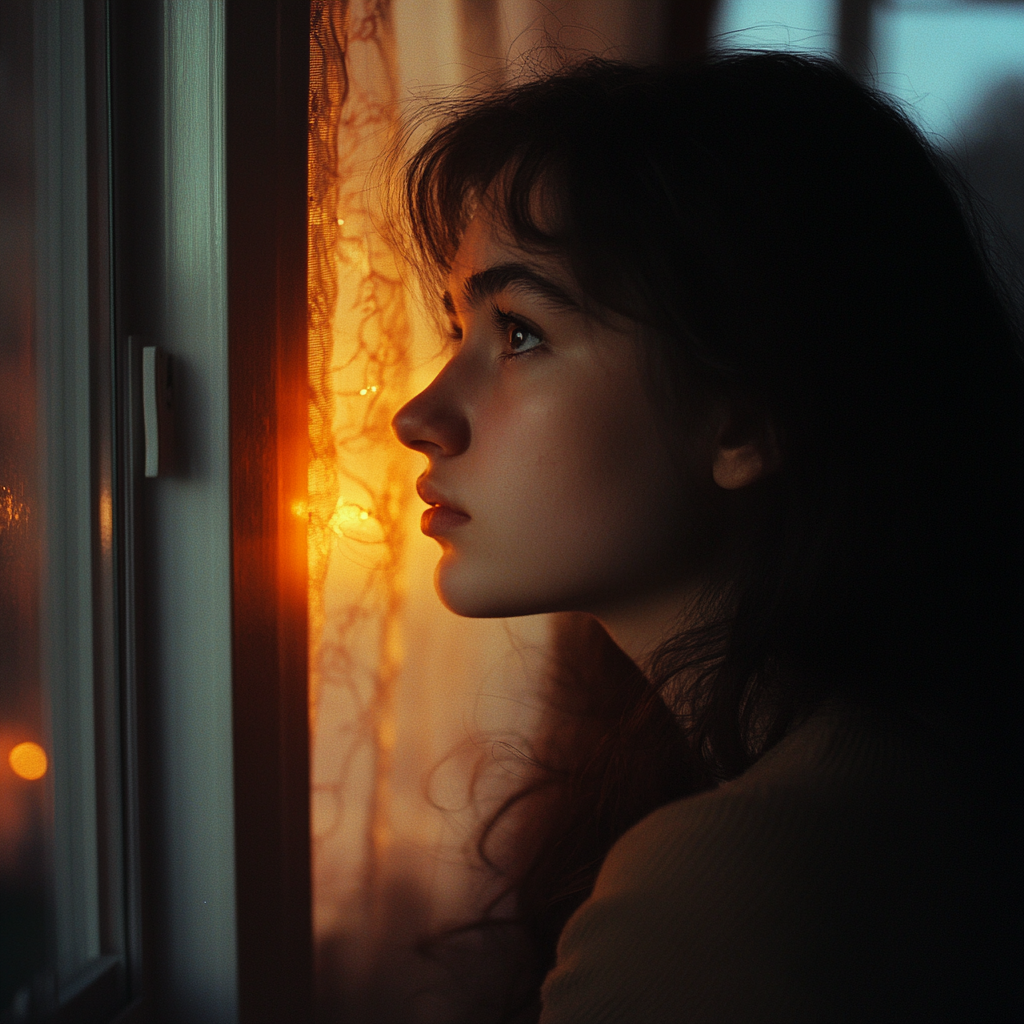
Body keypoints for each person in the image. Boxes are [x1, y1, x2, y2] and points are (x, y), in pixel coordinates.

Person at [390, 52, 1023, 1023]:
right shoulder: (922, 751)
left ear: (746, 419)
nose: (421, 414)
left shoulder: (741, 877)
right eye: (457, 327)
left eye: (518, 332)